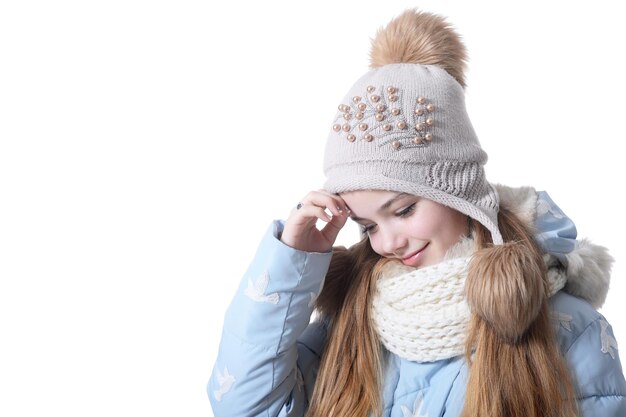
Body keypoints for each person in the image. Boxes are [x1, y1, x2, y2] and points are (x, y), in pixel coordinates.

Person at [208, 9, 626, 417]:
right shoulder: (355, 316)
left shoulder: (568, 328)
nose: (387, 243)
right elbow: (244, 405)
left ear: (460, 192)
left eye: (404, 210)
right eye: (368, 225)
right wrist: (291, 262)